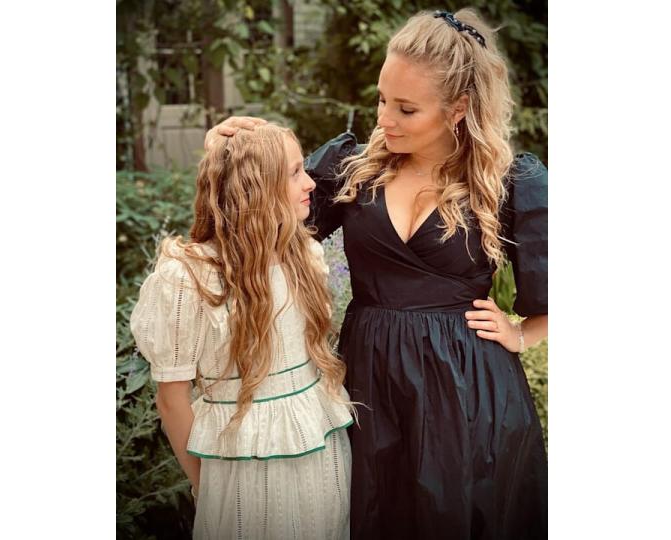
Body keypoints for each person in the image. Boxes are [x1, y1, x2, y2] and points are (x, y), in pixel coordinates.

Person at [212, 8, 548, 539]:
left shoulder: (507, 182)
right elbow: (262, 231)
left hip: (469, 394)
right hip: (371, 381)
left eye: (406, 108)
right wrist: (234, 155)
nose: (384, 119)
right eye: (381, 99)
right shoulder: (353, 167)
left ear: (458, 108)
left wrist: (525, 332)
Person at [130, 123, 355, 539]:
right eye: (293, 172)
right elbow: (171, 400)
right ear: (256, 188)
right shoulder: (189, 277)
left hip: (321, 459)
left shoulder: (303, 254)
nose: (309, 182)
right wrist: (209, 485)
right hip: (240, 473)